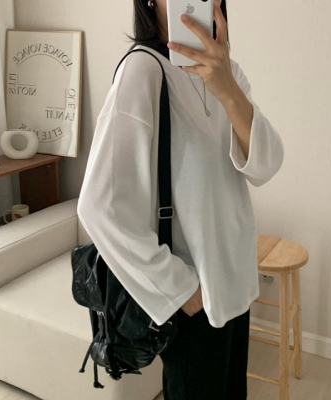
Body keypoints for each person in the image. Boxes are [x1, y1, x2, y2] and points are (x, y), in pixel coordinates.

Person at [77, 0, 284, 398]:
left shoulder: (229, 74)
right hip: (193, 297)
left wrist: (227, 87)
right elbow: (99, 206)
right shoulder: (143, 71)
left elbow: (266, 165)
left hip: (237, 284)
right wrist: (180, 291)